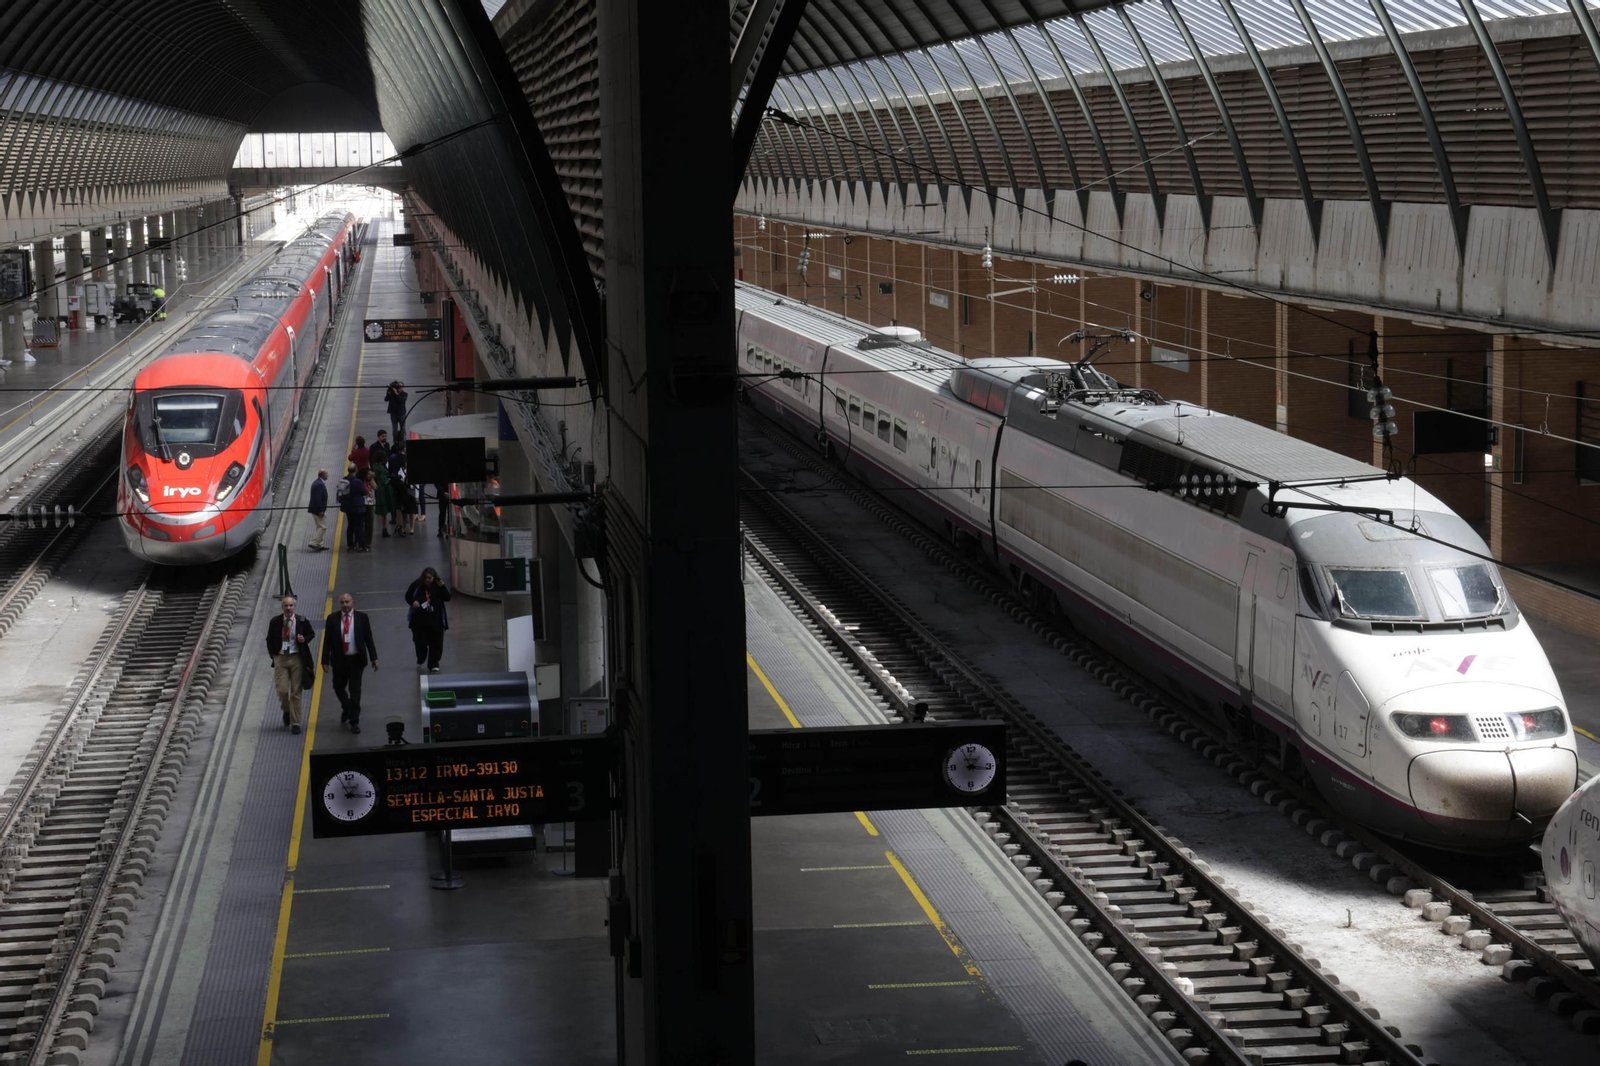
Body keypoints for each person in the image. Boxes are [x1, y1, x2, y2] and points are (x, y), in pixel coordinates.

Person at [322, 592, 378, 733]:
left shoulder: (362, 618)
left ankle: (354, 721)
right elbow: (327, 641)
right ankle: (347, 707)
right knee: (338, 687)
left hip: (356, 661)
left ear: (352, 603)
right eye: (342, 602)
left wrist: (374, 658)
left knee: (355, 691)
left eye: (347, 602)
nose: (345, 605)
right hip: (339, 661)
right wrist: (325, 660)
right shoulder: (332, 619)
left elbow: (368, 638)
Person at [265, 595, 315, 735]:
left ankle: (296, 722)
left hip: (296, 658)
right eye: (286, 606)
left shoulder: (301, 621)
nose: (288, 608)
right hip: (281, 658)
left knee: (296, 692)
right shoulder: (275, 621)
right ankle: (287, 710)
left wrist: (304, 639)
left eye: (291, 605)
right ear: (282, 607)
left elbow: (311, 634)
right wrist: (273, 656)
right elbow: (269, 639)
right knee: (282, 689)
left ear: (294, 607)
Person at [404, 567, 452, 672]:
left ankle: (434, 663)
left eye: (429, 578)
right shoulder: (417, 584)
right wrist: (413, 602)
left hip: (436, 620)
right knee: (420, 641)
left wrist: (442, 587)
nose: (427, 580)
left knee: (436, 643)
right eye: (425, 577)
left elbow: (447, 598)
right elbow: (407, 595)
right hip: (419, 620)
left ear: (434, 577)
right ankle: (421, 656)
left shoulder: (438, 585)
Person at [344, 465, 368, 551]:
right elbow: (364, 492)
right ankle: (362, 545)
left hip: (348, 508)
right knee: (360, 526)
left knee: (350, 526)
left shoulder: (344, 479)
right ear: (356, 470)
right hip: (358, 508)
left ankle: (350, 545)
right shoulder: (357, 481)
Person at [306, 468, 329, 551]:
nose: (328, 475)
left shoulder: (318, 482)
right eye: (326, 473)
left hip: (316, 509)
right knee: (323, 527)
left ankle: (319, 544)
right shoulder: (319, 484)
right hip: (318, 510)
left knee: (319, 526)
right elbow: (318, 498)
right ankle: (314, 542)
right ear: (323, 475)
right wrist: (321, 510)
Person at [372, 458, 395, 538]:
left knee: (382, 510)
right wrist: (390, 478)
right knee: (385, 509)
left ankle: (384, 528)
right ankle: (385, 529)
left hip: (379, 489)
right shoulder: (381, 468)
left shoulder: (374, 466)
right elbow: (385, 480)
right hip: (384, 490)